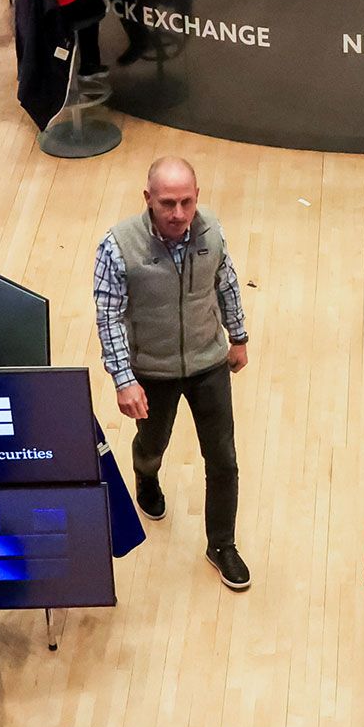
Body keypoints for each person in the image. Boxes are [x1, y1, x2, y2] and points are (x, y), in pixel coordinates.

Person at [95, 157, 252, 592]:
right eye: (167, 203)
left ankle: (221, 544)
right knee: (153, 442)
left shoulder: (211, 232)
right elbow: (108, 316)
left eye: (186, 202)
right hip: (153, 370)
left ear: (197, 196)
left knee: (223, 459)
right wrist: (124, 379)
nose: (178, 213)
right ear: (148, 199)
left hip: (208, 363)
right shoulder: (117, 246)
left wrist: (237, 336)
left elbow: (226, 282)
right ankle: (146, 471)